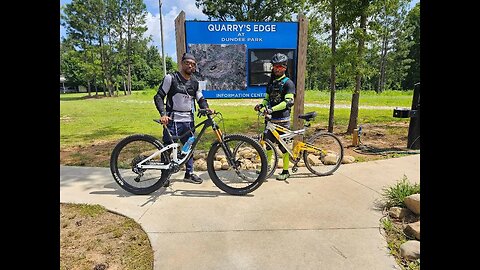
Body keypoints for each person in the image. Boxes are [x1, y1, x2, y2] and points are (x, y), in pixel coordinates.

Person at [154, 52, 213, 186]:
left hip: (188, 120)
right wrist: (163, 114)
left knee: (189, 147)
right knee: (168, 148)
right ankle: (165, 175)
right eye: (187, 63)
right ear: (182, 63)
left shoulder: (195, 83)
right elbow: (158, 96)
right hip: (172, 120)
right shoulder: (171, 78)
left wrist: (207, 108)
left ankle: (189, 173)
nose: (190, 66)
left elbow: (200, 99)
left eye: (193, 64)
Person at [254, 53, 296, 181]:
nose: (277, 68)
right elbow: (267, 98)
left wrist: (272, 109)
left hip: (283, 120)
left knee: (284, 147)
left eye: (280, 66)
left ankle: (286, 170)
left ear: (285, 68)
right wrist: (261, 105)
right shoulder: (271, 83)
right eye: (275, 66)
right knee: (268, 144)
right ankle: (267, 168)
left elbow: (288, 102)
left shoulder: (288, 83)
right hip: (270, 121)